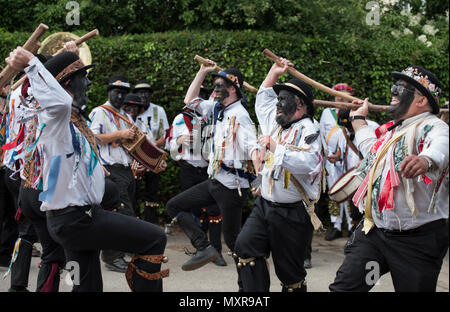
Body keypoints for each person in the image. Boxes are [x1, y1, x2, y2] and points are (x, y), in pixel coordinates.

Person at [5, 47, 168, 292]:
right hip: (77, 220)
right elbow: (58, 98)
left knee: (86, 287)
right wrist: (30, 62)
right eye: (84, 77)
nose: (89, 83)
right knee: (155, 238)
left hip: (72, 221)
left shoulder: (71, 121)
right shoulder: (56, 116)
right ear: (68, 83)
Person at [329, 65, 448, 292]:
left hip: (417, 243)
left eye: (401, 88)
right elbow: (370, 149)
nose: (393, 91)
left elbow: (442, 146)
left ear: (422, 101)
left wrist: (426, 160)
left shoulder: (434, 126)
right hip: (375, 236)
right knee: (345, 289)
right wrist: (358, 120)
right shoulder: (394, 131)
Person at [233, 57, 322, 292]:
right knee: (245, 247)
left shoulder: (310, 130)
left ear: (300, 104)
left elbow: (309, 163)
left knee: (290, 274)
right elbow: (263, 97)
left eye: (283, 99)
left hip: (293, 213)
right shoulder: (276, 121)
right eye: (279, 99)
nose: (278, 104)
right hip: (265, 205)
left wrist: (274, 146)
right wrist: (275, 71)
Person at [165, 60, 261, 272]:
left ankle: (251, 284)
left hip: (232, 187)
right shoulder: (218, 109)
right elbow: (189, 100)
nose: (216, 89)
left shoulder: (240, 116)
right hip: (215, 181)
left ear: (233, 90)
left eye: (220, 86)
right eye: (215, 85)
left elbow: (254, 148)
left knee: (234, 241)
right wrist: (202, 71)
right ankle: (203, 247)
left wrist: (261, 177)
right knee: (173, 206)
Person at [167, 85, 226, 266]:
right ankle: (202, 247)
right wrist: (179, 140)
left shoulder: (213, 118)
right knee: (190, 209)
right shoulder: (179, 119)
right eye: (195, 95)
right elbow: (169, 145)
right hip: (188, 168)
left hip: (208, 169)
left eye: (201, 95)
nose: (198, 99)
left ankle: (216, 252)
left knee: (215, 210)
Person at [89, 75, 136, 273]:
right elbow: (92, 138)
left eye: (124, 93)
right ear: (109, 91)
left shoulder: (126, 116)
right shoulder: (99, 112)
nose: (120, 96)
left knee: (126, 213)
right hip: (111, 170)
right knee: (119, 213)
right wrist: (119, 135)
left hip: (126, 170)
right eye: (117, 92)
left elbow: (133, 143)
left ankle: (120, 251)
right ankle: (111, 256)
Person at [320, 83, 356, 240]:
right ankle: (336, 225)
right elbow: (322, 135)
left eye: (342, 95)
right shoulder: (327, 113)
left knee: (349, 191)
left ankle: (351, 225)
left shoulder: (353, 113)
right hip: (331, 160)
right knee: (334, 192)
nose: (339, 97)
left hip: (348, 158)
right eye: (337, 94)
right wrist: (327, 154)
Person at [133, 80, 169, 223]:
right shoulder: (130, 110)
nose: (143, 96)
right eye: (140, 93)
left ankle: (150, 223)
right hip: (135, 158)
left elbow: (165, 136)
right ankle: (134, 224)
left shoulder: (158, 110)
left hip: (153, 157)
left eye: (146, 93)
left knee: (152, 192)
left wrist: (152, 146)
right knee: (133, 191)